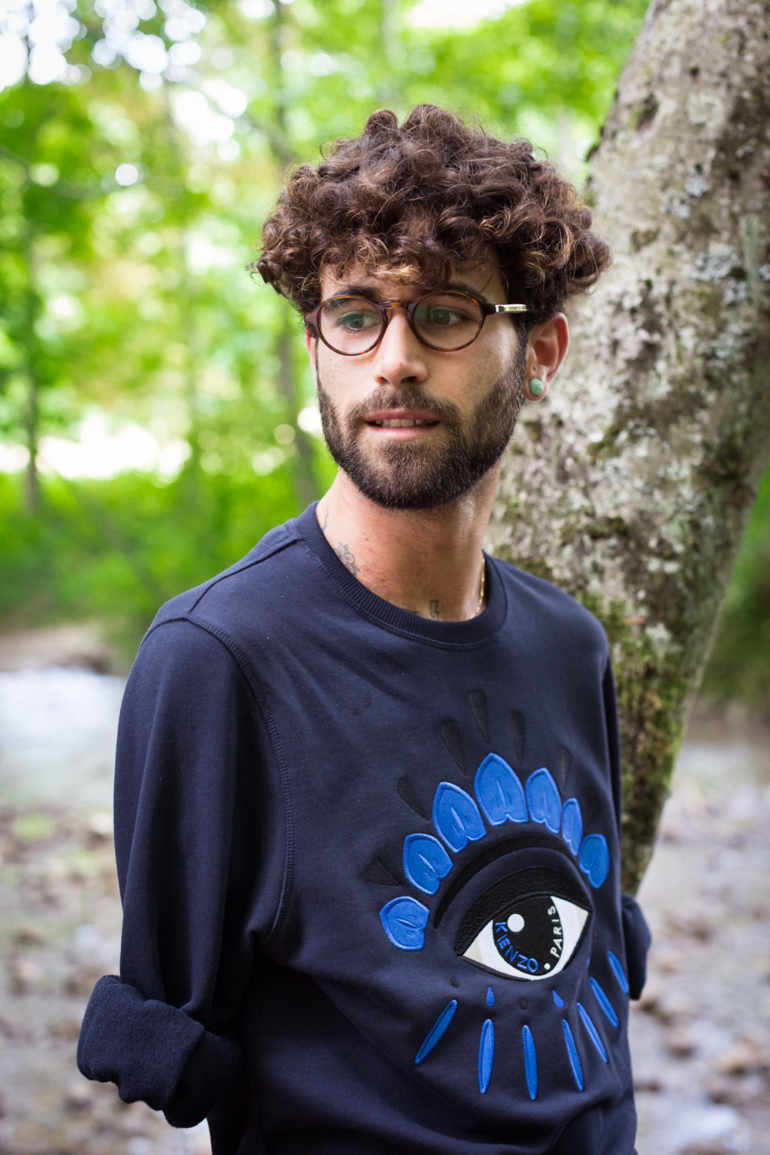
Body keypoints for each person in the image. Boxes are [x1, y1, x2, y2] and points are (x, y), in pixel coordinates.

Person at [77, 104, 650, 1154]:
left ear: (541, 349)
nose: (393, 359)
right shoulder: (218, 657)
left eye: (443, 314)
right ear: (316, 347)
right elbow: (184, 1030)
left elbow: (590, 954)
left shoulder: (571, 645)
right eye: (354, 315)